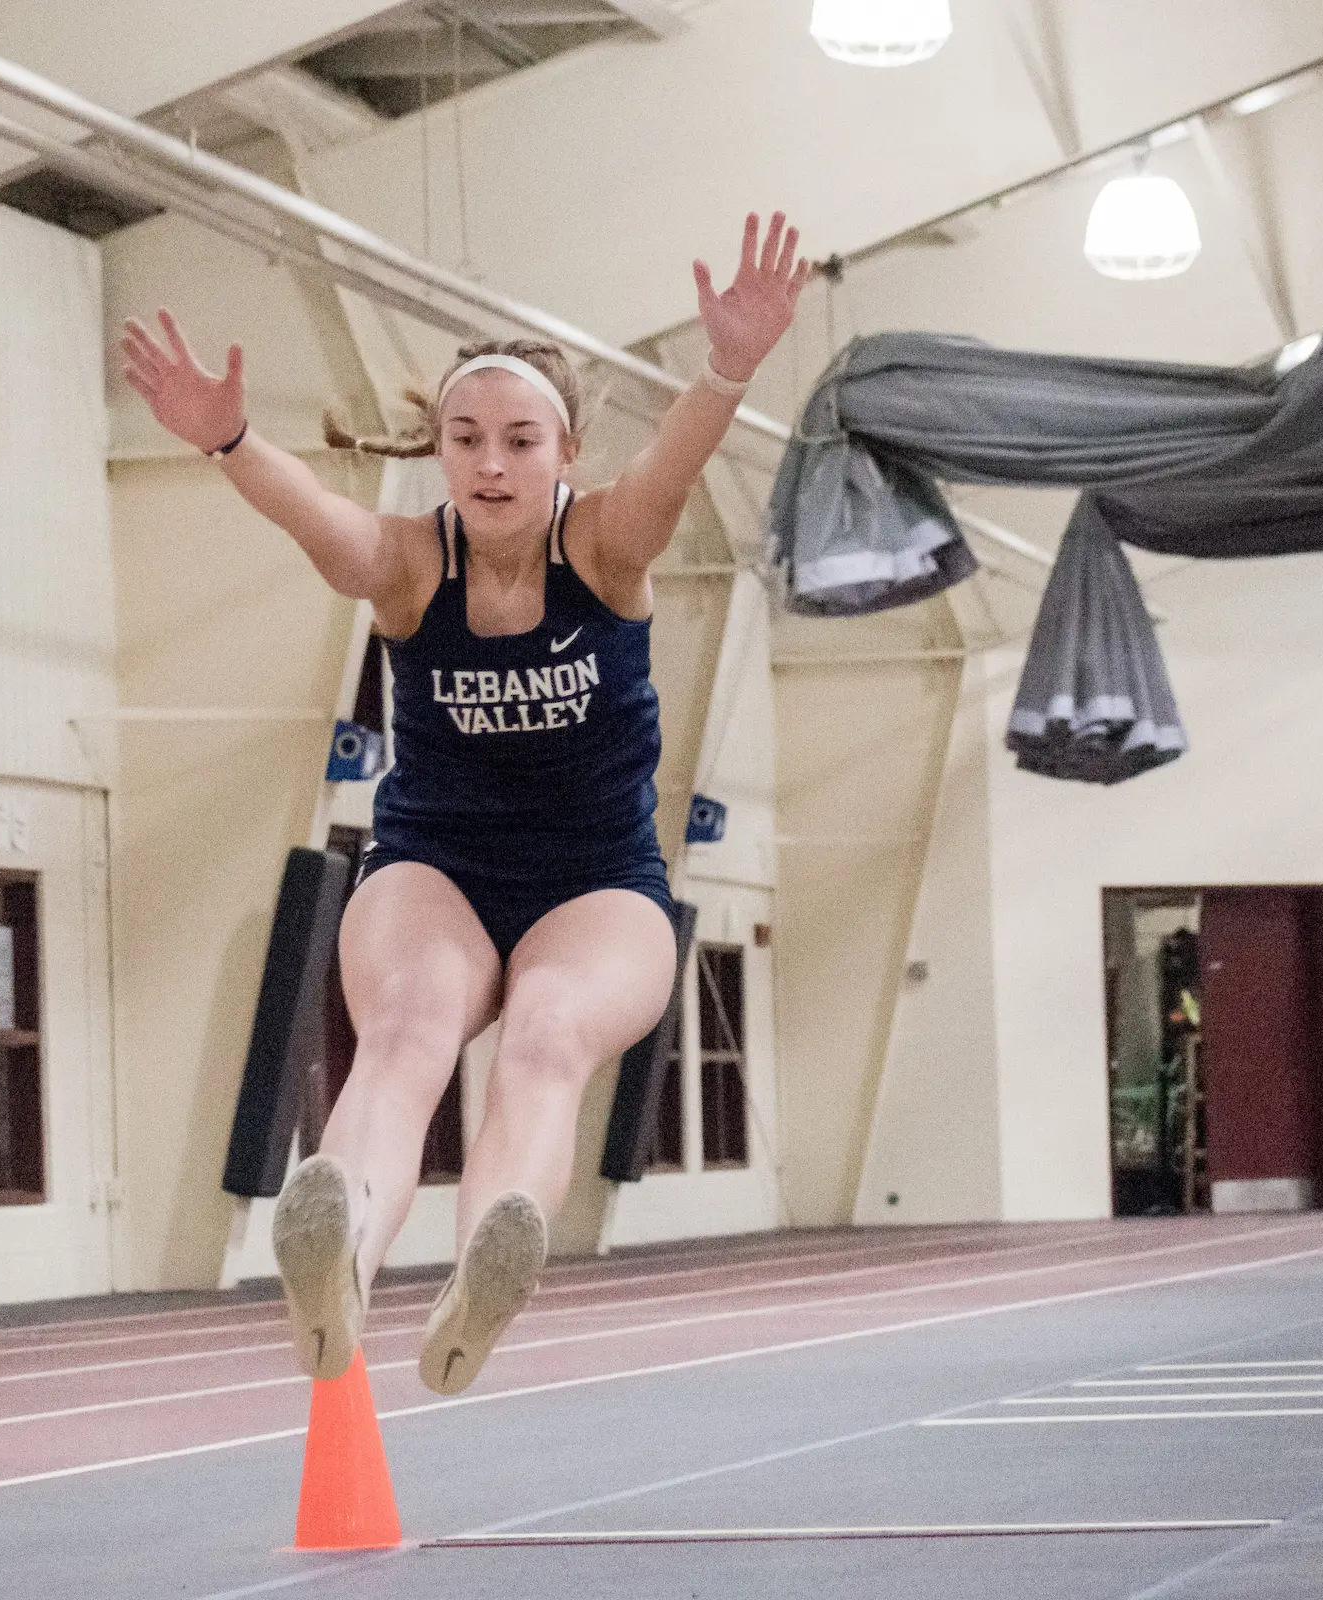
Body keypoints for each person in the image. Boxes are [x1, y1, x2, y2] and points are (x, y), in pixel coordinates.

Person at [120, 213, 810, 1394]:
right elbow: (313, 520)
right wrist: (229, 438)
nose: (492, 464)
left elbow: (675, 466)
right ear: (436, 450)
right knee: (407, 1024)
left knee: (545, 1035)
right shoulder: (405, 564)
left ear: (566, 454)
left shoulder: (605, 546)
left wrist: (730, 365)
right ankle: (341, 1252)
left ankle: (486, 1265)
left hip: (597, 884)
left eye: (520, 441)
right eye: (467, 439)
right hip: (435, 866)